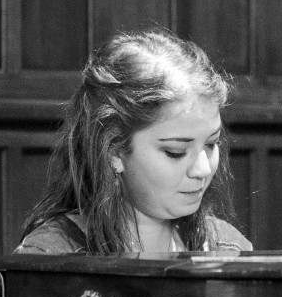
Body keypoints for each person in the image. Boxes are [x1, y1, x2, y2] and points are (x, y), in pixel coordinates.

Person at [16, 29, 251, 254]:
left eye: (211, 144)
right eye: (176, 152)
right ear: (114, 151)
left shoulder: (228, 248)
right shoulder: (51, 254)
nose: (203, 169)